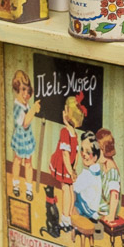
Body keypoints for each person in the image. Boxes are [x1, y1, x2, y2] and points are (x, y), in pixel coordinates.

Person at [47, 93, 86, 232]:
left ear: (68, 115)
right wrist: (73, 170)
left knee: (67, 191)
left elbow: (65, 154)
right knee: (69, 190)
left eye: (65, 109)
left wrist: (70, 171)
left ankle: (65, 220)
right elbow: (76, 155)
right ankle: (67, 219)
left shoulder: (65, 132)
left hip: (64, 166)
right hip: (69, 167)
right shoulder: (74, 134)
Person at [8, 69, 37, 199]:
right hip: (20, 139)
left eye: (28, 91)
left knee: (29, 163)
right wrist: (33, 110)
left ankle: (29, 189)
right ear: (17, 90)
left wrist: (32, 109)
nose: (26, 94)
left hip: (28, 138)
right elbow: (25, 123)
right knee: (18, 161)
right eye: (23, 90)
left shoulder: (26, 105)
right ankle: (15, 185)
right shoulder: (17, 107)